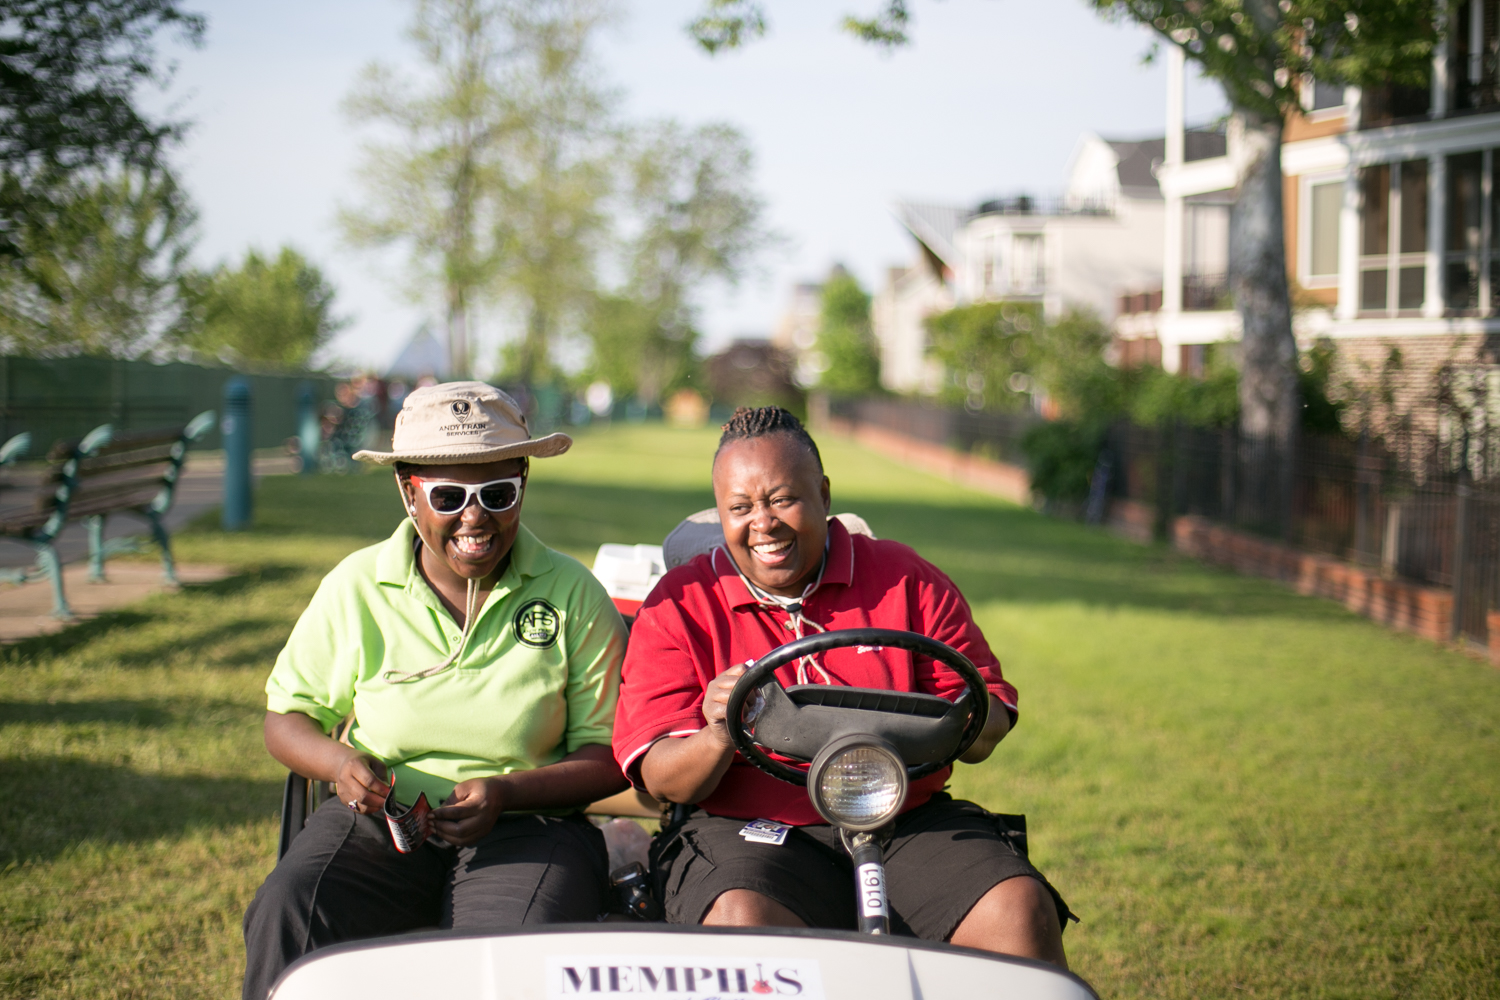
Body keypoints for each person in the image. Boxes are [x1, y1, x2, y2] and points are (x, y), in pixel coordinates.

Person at [612, 406, 1073, 967]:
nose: (763, 523)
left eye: (783, 499)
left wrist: (955, 721)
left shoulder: (905, 577)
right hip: (752, 831)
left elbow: (986, 718)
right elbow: (662, 777)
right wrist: (719, 731)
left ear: (824, 496)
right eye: (740, 507)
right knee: (742, 925)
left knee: (1017, 909)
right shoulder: (680, 602)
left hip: (903, 816)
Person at [243, 382, 628, 999]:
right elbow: (287, 716)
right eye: (448, 496)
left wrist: (505, 792)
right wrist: (342, 763)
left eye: (498, 494)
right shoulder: (359, 585)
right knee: (291, 907)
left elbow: (609, 755)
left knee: (499, 961)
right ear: (408, 493)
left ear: (523, 483)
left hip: (529, 826)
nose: (475, 518)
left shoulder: (571, 594)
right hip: (380, 820)